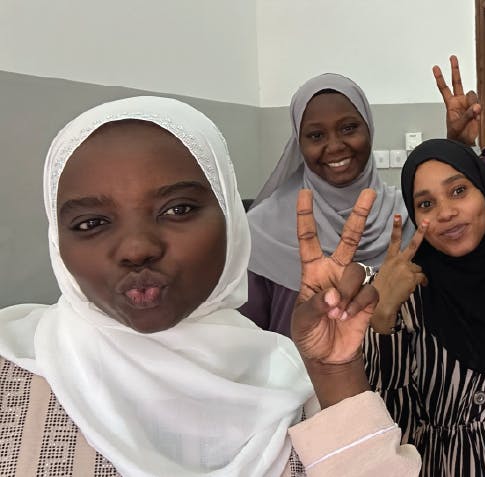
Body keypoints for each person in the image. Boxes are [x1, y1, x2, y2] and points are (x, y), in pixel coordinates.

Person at [0, 96, 420, 476]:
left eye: (177, 209)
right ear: (58, 238)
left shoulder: (289, 385)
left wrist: (336, 374)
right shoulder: (16, 382)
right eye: (90, 223)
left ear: (232, 223)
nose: (136, 248)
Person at [243, 73, 485, 336]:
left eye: (349, 128)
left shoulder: (407, 212)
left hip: (402, 385)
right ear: (299, 143)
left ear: (369, 128)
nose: (335, 145)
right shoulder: (262, 229)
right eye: (316, 135)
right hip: (297, 389)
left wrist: (463, 149)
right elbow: (248, 337)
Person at [365, 139, 485, 476]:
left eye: (458, 191)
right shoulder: (406, 295)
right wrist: (382, 318)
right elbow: (388, 424)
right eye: (426, 203)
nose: (445, 213)